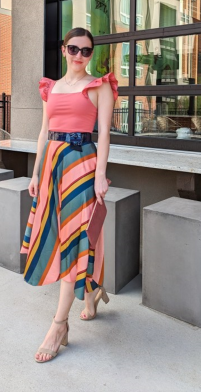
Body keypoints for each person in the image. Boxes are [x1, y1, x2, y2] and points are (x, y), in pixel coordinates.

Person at [22, 27, 116, 362]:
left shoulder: (99, 86)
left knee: (75, 240)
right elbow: (44, 131)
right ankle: (90, 296)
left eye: (86, 51)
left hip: (82, 167)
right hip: (52, 169)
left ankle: (58, 325)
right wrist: (35, 173)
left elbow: (104, 133)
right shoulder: (52, 88)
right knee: (65, 238)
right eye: (74, 49)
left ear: (92, 54)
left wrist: (101, 175)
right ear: (64, 50)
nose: (79, 56)